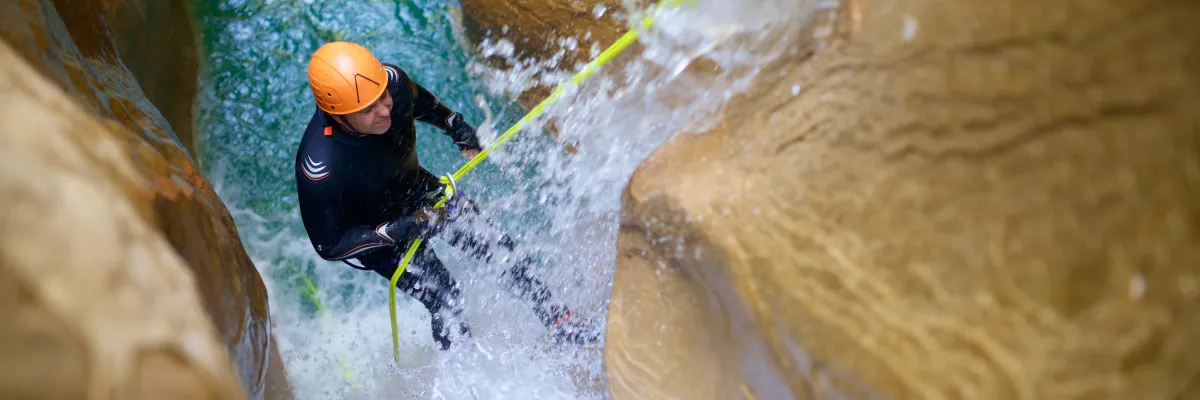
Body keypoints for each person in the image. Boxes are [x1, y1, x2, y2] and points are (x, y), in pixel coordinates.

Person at [292, 41, 599, 350]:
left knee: (499, 248)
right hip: (377, 235)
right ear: (339, 116)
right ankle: (463, 377)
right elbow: (329, 245)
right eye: (368, 110)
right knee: (447, 299)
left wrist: (460, 132)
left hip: (417, 191)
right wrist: (402, 228)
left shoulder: (393, 83)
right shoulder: (319, 166)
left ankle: (559, 321)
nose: (385, 110)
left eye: (382, 98)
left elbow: (431, 110)